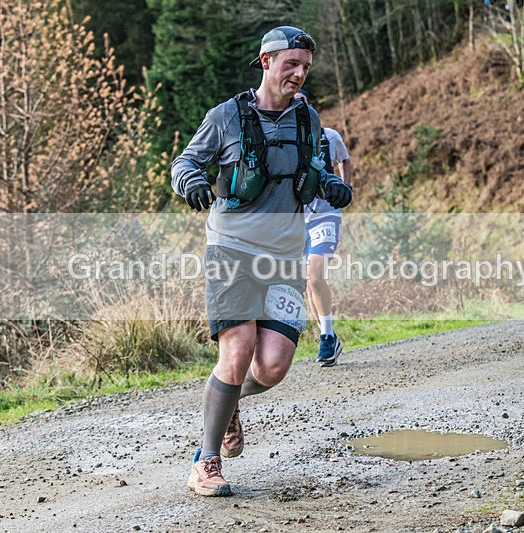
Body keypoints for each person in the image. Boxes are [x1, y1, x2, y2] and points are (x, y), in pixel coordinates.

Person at [171, 26, 352, 497]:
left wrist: (333, 188)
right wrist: (191, 181)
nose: (298, 73)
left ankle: (228, 402)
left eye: (305, 67)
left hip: (285, 256)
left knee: (272, 366)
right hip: (231, 247)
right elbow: (184, 163)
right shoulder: (227, 115)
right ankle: (206, 463)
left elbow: (320, 173)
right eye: (291, 63)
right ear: (266, 61)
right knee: (238, 350)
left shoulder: (309, 121)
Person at [294, 89, 353, 367]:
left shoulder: (329, 135)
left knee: (316, 275)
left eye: (302, 103)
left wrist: (346, 187)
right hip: (297, 220)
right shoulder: (284, 143)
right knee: (308, 281)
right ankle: (326, 336)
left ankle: (327, 336)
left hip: (326, 214)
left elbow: (344, 159)